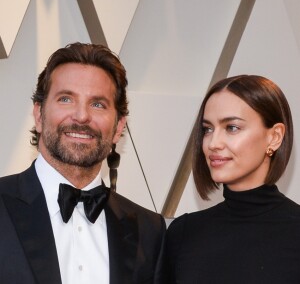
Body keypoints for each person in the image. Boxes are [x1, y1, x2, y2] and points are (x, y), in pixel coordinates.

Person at [0, 42, 166, 284]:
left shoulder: (149, 231)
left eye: (97, 104)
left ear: (119, 126)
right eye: (66, 99)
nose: (81, 116)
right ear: (39, 114)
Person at [167, 75, 300, 283]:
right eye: (208, 129)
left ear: (274, 137)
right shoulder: (183, 234)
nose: (213, 143)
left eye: (232, 127)